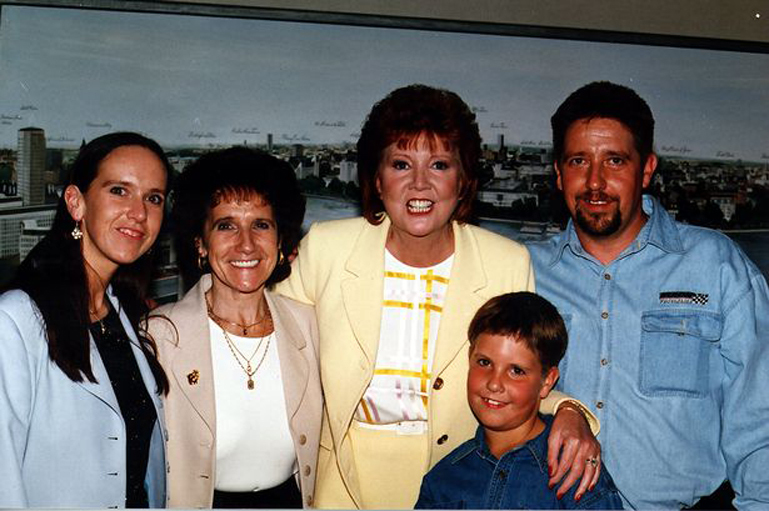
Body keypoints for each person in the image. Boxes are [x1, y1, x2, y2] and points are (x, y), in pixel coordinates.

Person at [277, 84, 602, 509]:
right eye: (400, 164)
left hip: (457, 487)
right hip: (339, 485)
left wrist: (571, 412)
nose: (419, 184)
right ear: (377, 178)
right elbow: (266, 343)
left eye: (440, 165)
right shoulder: (326, 248)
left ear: (463, 180)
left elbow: (518, 375)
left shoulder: (505, 262)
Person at [528, 81, 769, 509]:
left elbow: (760, 418)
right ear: (558, 172)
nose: (595, 182)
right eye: (579, 160)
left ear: (646, 169)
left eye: (615, 161)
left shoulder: (715, 265)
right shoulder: (526, 272)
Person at [0, 132, 170, 508]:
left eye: (153, 198)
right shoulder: (14, 322)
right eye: (119, 191)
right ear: (76, 203)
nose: (139, 212)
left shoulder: (120, 312)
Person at [145, 147, 321, 508]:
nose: (246, 244)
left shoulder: (309, 326)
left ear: (280, 239)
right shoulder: (160, 336)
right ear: (200, 243)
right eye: (226, 225)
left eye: (261, 224)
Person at [415, 292, 623, 509]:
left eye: (516, 370)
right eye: (485, 362)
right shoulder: (443, 479)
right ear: (470, 359)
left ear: (547, 381)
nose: (494, 384)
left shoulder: (575, 470)